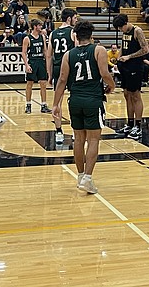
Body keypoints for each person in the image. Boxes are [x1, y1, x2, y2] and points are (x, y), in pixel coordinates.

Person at [51, 19, 115, 195]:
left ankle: (80, 176)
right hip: (93, 100)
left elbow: (62, 80)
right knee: (93, 140)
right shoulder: (99, 50)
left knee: (78, 139)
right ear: (91, 35)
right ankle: (87, 178)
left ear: (76, 36)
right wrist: (112, 85)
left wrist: (55, 104)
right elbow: (104, 73)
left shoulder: (68, 55)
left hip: (75, 100)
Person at [113, 13, 149, 140]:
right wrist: (119, 59)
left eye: (119, 27)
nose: (119, 30)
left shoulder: (137, 31)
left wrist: (129, 56)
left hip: (135, 66)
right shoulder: (124, 32)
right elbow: (124, 47)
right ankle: (130, 123)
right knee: (127, 94)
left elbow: (145, 50)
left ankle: (138, 126)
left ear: (125, 24)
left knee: (135, 95)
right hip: (125, 66)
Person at [47, 7, 78, 144]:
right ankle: (74, 132)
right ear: (69, 18)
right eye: (75, 18)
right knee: (75, 100)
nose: (76, 20)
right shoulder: (73, 32)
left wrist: (49, 74)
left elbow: (49, 56)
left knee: (57, 101)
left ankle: (59, 132)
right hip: (70, 68)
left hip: (57, 68)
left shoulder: (52, 33)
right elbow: (77, 51)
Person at [22, 18, 51, 114]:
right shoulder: (27, 38)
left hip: (41, 62)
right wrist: (26, 65)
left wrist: (47, 66)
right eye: (40, 25)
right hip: (32, 62)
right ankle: (28, 105)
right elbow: (23, 53)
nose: (41, 27)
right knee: (29, 84)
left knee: (43, 83)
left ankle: (43, 105)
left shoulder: (42, 37)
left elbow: (45, 52)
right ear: (35, 26)